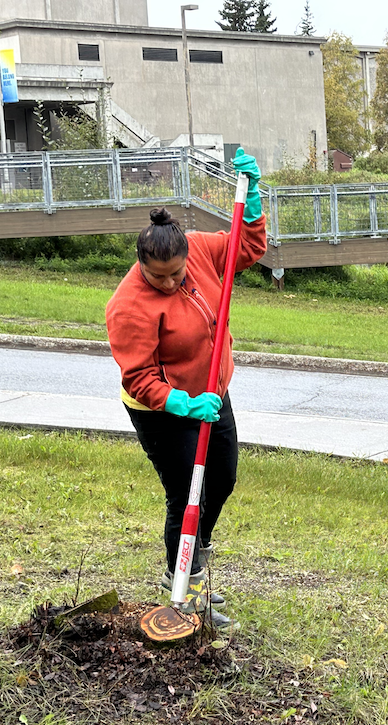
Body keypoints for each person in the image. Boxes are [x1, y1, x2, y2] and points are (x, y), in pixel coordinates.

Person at [105, 148, 265, 629]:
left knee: (223, 478)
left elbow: (246, 248)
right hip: (162, 409)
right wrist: (182, 403)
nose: (172, 281)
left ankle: (190, 562)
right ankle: (187, 589)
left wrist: (252, 199)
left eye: (178, 272)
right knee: (185, 493)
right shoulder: (128, 305)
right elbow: (139, 376)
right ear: (141, 267)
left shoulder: (197, 251)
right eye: (160, 277)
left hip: (212, 392)